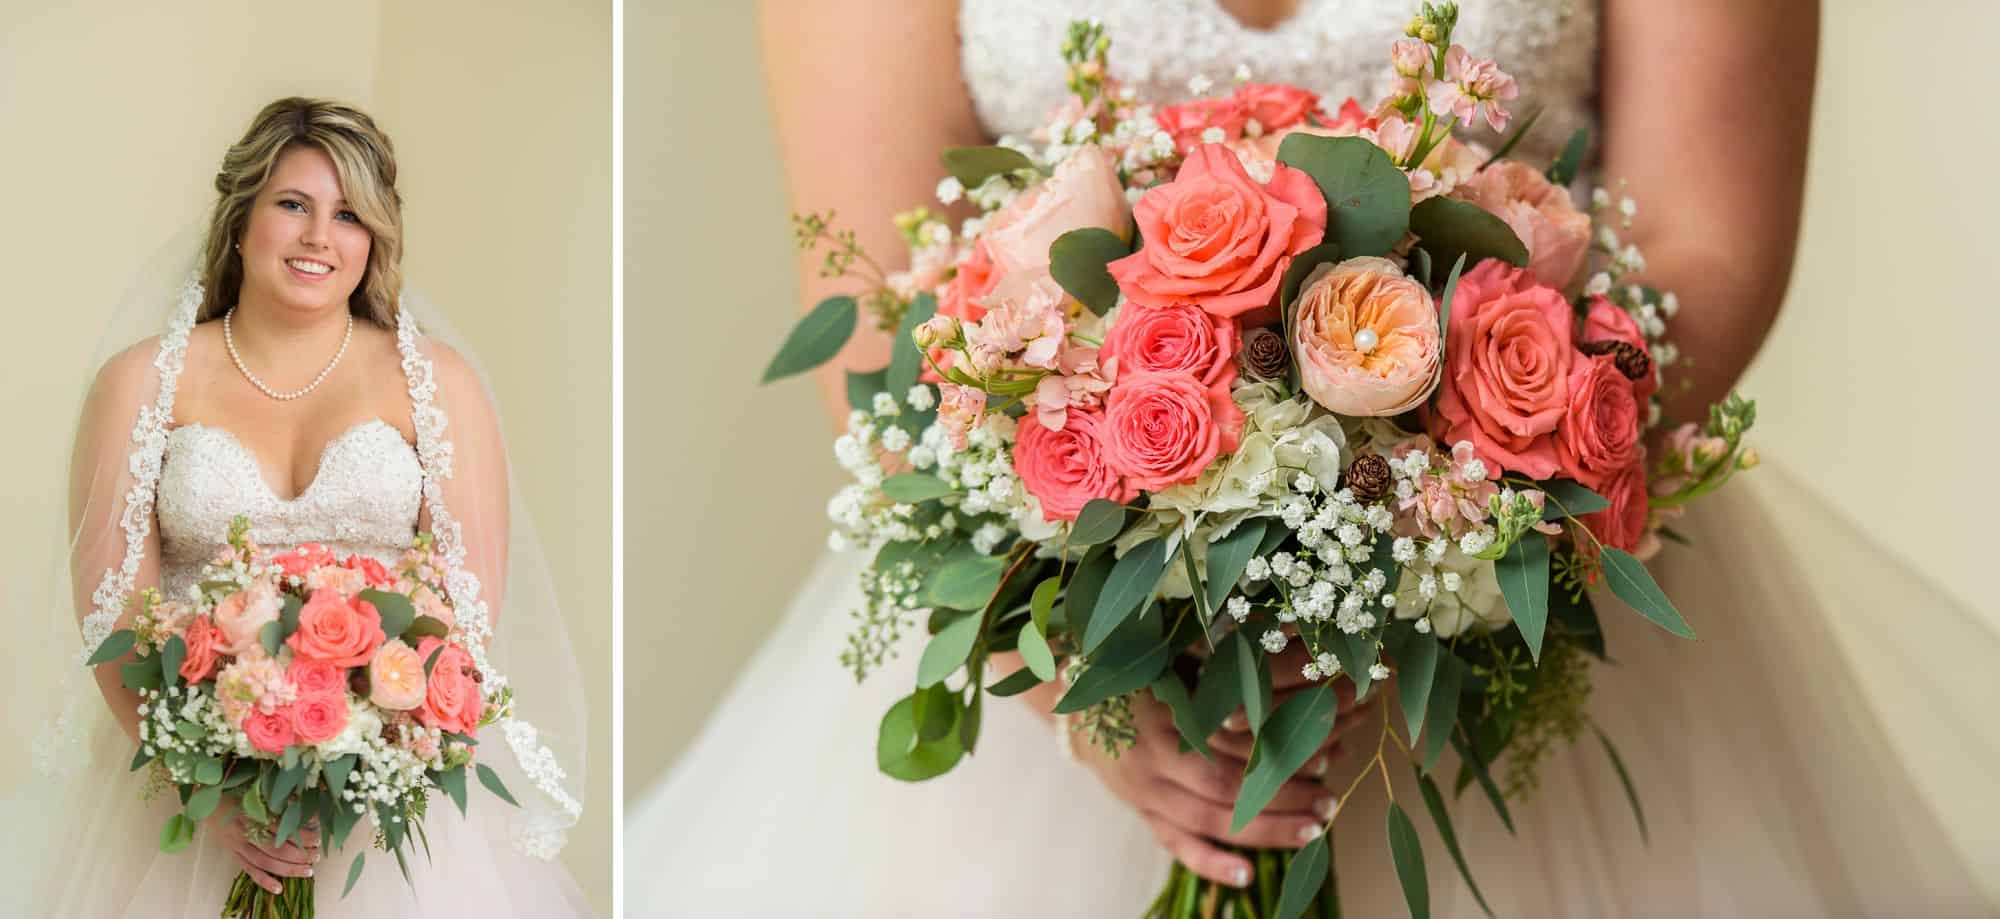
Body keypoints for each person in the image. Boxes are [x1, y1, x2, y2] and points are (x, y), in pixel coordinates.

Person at [637, 1, 1995, 914]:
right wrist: (1075, 675)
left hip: (1527, 592)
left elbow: (1708, 242)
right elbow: (887, 300)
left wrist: (1446, 517)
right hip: (1058, 635)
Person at [9, 97, 592, 916]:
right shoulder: (139, 384)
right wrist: (207, 795)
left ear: (375, 240)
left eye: (350, 214)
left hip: (385, 809)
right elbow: (115, 618)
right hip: (182, 804)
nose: (321, 236)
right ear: (242, 221)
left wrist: (361, 767)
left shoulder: (440, 384)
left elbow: (466, 617)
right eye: (294, 204)